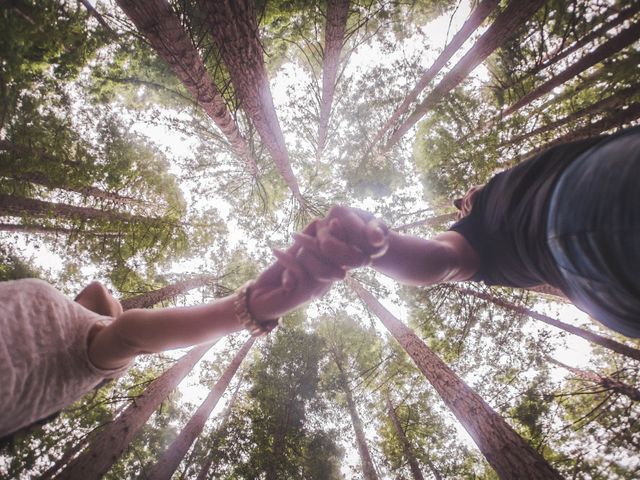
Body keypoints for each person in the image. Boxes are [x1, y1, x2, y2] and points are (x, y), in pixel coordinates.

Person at [0, 229, 390, 439]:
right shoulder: (78, 332)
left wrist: (250, 306)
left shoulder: (87, 358)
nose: (112, 301)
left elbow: (130, 331)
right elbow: (109, 306)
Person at [294, 127, 640, 338]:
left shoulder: (522, 179)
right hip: (578, 218)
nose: (462, 197)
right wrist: (378, 247)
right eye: (462, 203)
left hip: (594, 259)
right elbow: (444, 260)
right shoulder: (479, 220)